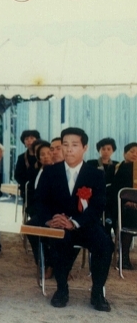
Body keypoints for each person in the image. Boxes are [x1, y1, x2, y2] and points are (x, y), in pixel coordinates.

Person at [30, 127, 113, 312]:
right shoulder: (50, 172)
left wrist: (75, 222)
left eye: (74, 145)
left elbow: (98, 206)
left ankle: (98, 293)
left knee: (105, 244)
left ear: (85, 147)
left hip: (85, 224)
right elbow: (39, 202)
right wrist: (50, 220)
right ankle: (61, 290)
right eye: (65, 145)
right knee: (60, 239)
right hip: (58, 224)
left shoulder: (95, 174)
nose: (69, 149)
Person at [24, 141, 55, 273]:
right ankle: (42, 263)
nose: (46, 156)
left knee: (38, 228)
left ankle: (51, 265)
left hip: (52, 212)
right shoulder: (35, 171)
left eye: (49, 153)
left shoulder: (57, 171)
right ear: (38, 157)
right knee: (30, 227)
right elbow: (32, 196)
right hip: (37, 210)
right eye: (42, 154)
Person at [110, 146, 137, 270]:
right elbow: (116, 190)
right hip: (123, 206)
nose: (135, 154)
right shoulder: (120, 168)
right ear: (124, 153)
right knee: (130, 213)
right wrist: (128, 201)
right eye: (132, 151)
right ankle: (124, 257)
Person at [15, 129, 41, 203]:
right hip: (27, 189)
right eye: (26, 139)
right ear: (24, 142)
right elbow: (17, 175)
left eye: (32, 138)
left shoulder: (43, 155)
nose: (29, 141)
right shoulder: (21, 158)